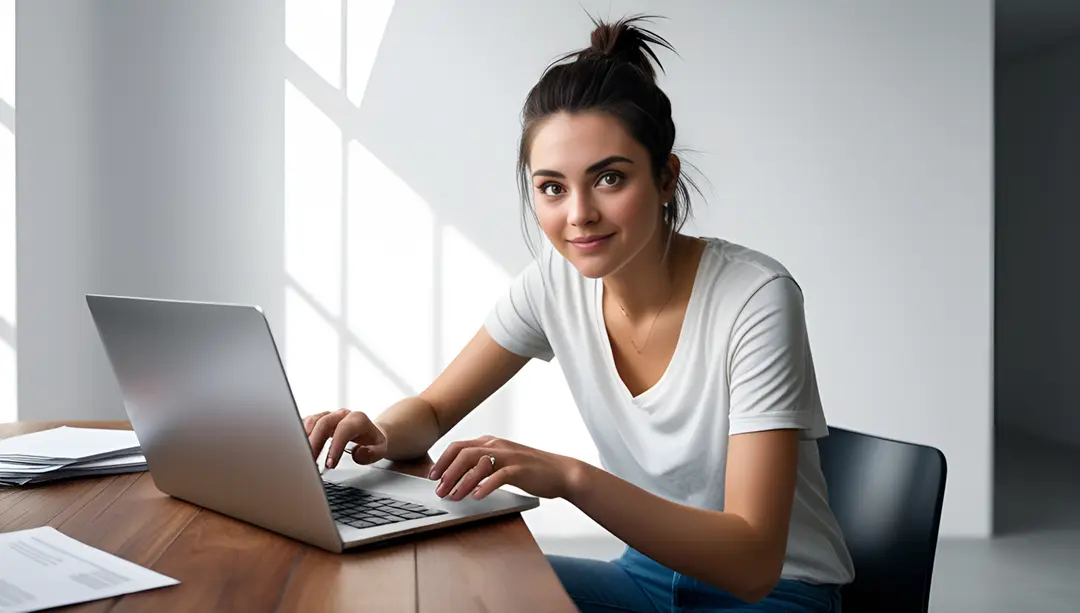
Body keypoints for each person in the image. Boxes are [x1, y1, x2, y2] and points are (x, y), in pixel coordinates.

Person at [305, 14, 854, 613]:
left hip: (776, 596)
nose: (579, 215)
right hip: (647, 577)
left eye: (609, 178)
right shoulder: (553, 285)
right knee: (449, 588)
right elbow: (434, 409)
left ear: (666, 178)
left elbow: (751, 564)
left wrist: (570, 478)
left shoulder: (755, 298)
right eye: (551, 187)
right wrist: (381, 436)